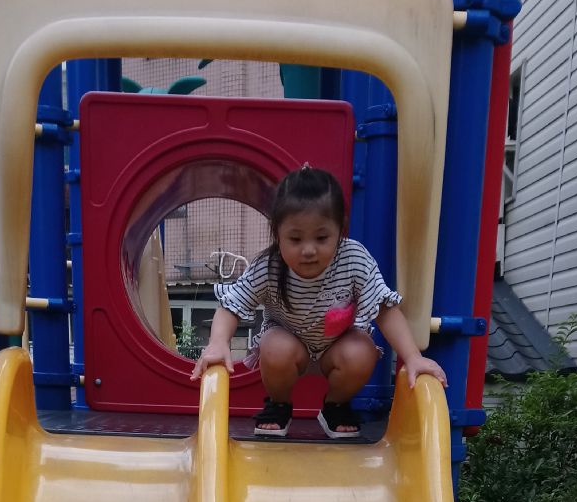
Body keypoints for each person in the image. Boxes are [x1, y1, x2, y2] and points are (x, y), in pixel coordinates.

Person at [189, 165, 447, 440]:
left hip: (338, 345)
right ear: (278, 235)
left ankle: (335, 406)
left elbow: (385, 310)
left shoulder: (354, 259)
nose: (309, 250)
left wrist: (413, 357)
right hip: (288, 345)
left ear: (340, 231)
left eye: (322, 238)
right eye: (295, 239)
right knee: (274, 347)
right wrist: (218, 343)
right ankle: (279, 404)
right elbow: (231, 305)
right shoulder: (269, 266)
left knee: (363, 352)